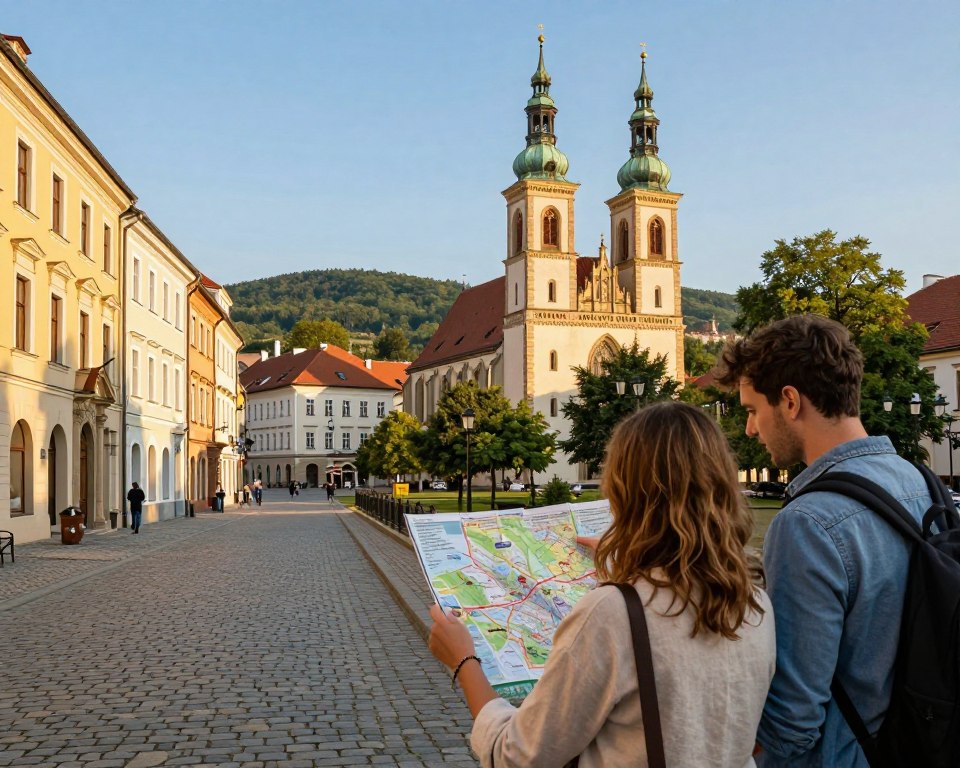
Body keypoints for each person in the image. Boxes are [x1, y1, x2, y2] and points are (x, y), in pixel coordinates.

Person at [428, 401, 775, 767]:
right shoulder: (754, 602)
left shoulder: (612, 614)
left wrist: (464, 661)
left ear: (626, 493)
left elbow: (517, 756)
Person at [715, 314, 936, 767]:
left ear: (790, 402)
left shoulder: (808, 524)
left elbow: (791, 723)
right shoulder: (920, 482)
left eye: (753, 410)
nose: (751, 429)